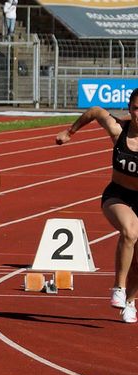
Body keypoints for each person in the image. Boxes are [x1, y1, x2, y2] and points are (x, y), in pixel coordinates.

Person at [55, 89, 138, 322]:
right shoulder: (118, 130)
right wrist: (70, 132)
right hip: (118, 196)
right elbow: (94, 111)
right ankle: (118, 288)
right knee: (130, 231)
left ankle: (130, 302)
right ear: (129, 108)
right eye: (136, 108)